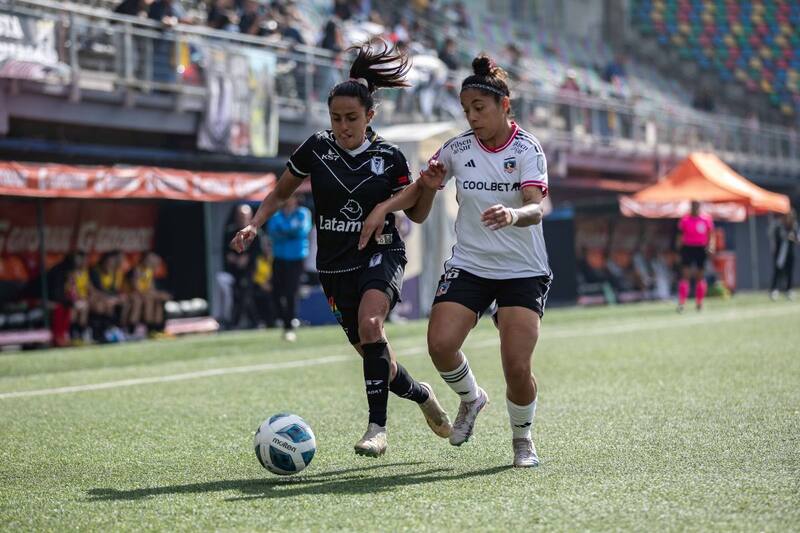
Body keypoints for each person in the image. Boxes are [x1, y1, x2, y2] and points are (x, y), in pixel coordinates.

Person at [231, 42, 451, 457]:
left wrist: (425, 191)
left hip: (381, 253)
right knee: (378, 362)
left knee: (372, 325)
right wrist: (254, 225)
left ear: (371, 115)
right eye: (336, 118)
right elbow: (279, 194)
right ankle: (421, 394)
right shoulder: (316, 148)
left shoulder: (388, 157)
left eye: (352, 118)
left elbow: (416, 212)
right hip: (334, 267)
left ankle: (377, 429)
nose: (343, 126)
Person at [359, 55, 551, 467]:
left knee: (517, 367)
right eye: (466, 110)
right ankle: (471, 398)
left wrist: (512, 214)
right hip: (471, 264)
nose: (471, 117)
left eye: (478, 108)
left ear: (504, 105)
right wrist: (386, 208)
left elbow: (536, 209)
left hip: (523, 269)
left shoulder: (527, 149)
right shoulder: (457, 149)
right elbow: (420, 202)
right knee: (440, 345)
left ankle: (523, 440)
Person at [267, 194, 312, 341]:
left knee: (291, 292)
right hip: (279, 258)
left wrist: (284, 231)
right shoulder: (276, 214)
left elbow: (302, 231)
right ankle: (283, 318)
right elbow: (273, 232)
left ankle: (289, 325)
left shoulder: (303, 213)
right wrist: (290, 231)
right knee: (276, 292)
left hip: (296, 258)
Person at [676, 201, 715, 312]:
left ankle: (699, 303)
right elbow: (679, 236)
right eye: (693, 205)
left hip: (700, 249)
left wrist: (711, 246)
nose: (695, 207)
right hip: (687, 248)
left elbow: (711, 235)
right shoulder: (684, 220)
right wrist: (678, 251)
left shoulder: (706, 219)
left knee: (700, 276)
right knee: (685, 275)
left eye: (697, 205)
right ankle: (682, 303)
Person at [770, 209, 798, 300]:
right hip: (780, 253)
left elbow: (797, 239)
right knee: (778, 271)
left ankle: (789, 290)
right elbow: (773, 237)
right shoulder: (778, 226)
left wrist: (793, 238)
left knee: (789, 272)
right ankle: (774, 290)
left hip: (790, 253)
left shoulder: (794, 226)